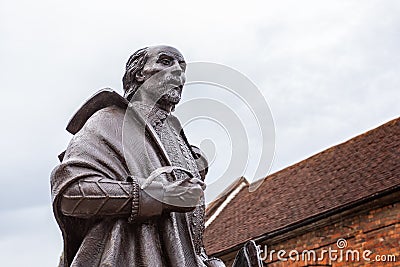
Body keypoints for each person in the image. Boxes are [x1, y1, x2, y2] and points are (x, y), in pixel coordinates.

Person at [51, 45, 227, 267]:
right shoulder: (107, 121)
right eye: (165, 62)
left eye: (182, 67)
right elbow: (70, 194)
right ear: (139, 73)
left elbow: (183, 230)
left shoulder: (180, 143)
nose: (178, 72)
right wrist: (159, 196)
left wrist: (201, 259)